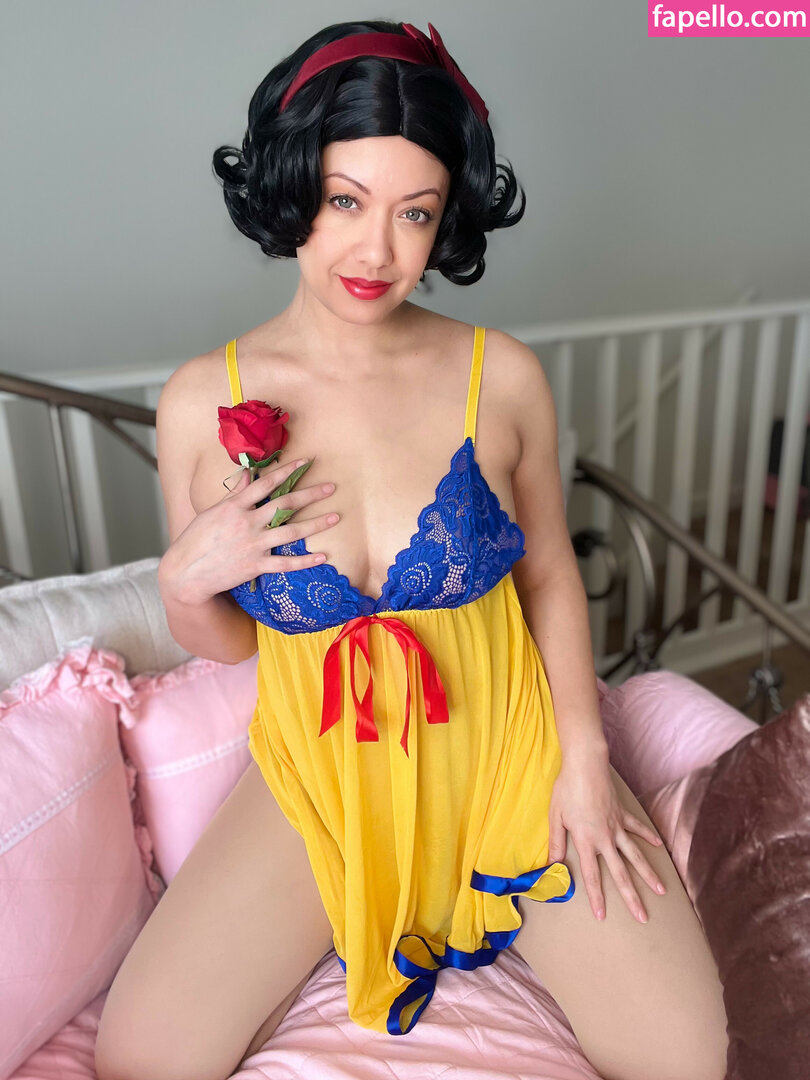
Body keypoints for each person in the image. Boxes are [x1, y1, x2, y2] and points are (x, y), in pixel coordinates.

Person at [94, 19, 728, 1080]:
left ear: (446, 221)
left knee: (693, 1056)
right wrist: (182, 581)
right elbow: (230, 643)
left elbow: (548, 572)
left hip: (510, 760)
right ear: (293, 188)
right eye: (346, 201)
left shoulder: (501, 375)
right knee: (140, 1058)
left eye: (415, 213)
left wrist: (583, 762)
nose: (378, 253)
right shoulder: (204, 401)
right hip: (321, 775)